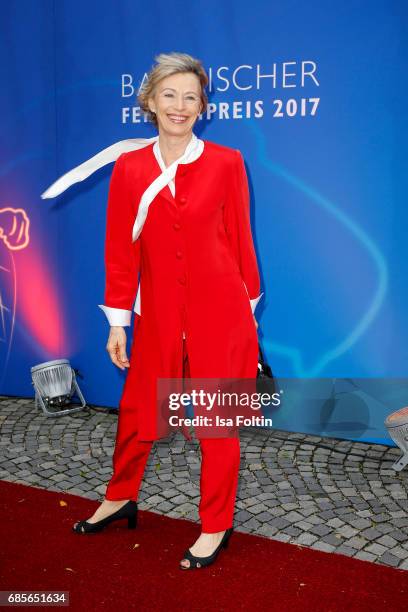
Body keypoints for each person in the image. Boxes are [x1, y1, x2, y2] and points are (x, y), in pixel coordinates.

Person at [68, 52, 263, 569]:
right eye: (169, 95)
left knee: (218, 423)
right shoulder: (129, 167)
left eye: (191, 97)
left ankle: (216, 525)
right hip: (156, 313)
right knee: (137, 412)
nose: (180, 106)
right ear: (150, 102)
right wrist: (117, 323)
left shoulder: (227, 162)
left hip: (221, 311)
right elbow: (120, 248)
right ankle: (121, 496)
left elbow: (242, 242)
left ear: (203, 106)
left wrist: (249, 314)